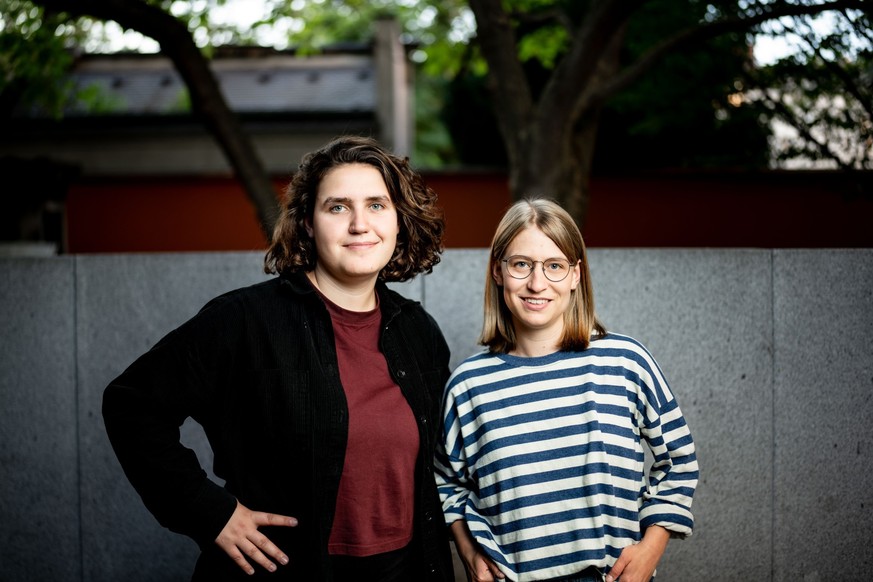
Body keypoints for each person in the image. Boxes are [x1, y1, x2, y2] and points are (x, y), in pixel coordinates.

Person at [103, 135, 456, 581]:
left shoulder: (418, 332)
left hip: (407, 570)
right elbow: (131, 403)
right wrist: (211, 512)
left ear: (400, 221)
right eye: (338, 207)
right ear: (307, 222)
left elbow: (442, 465)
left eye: (377, 205)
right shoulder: (244, 320)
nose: (360, 225)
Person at [435, 199, 698, 582]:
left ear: (576, 275)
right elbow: (445, 482)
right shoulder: (469, 385)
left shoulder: (625, 362)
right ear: (498, 271)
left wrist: (650, 548)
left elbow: (679, 461)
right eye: (521, 264)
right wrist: (467, 548)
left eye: (554, 266)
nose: (537, 283)